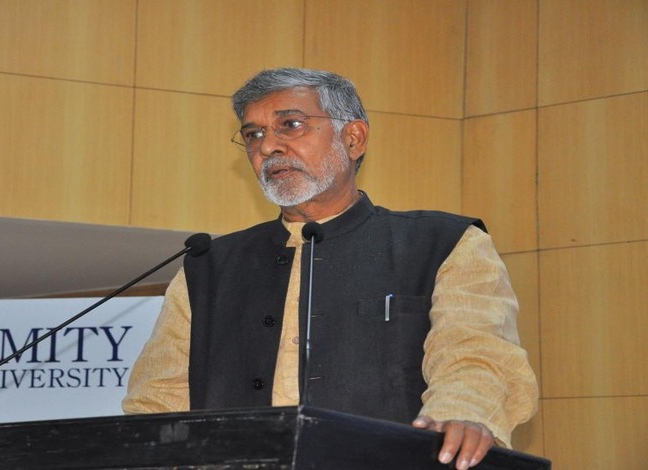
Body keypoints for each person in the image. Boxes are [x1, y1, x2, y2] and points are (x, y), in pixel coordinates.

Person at [122, 68, 538, 470]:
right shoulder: (208, 265)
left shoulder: (443, 244)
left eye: (291, 124)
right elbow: (158, 401)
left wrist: (461, 413)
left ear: (353, 138)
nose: (268, 146)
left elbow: (475, 355)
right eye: (254, 134)